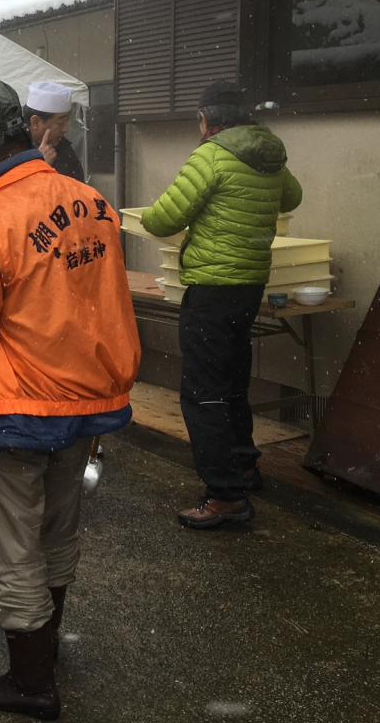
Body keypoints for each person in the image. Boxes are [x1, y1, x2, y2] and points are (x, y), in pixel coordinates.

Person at [0, 80, 140, 720]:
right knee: (57, 528)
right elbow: (104, 305)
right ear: (24, 132)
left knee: (10, 546)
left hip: (14, 411)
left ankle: (31, 683)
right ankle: (46, 649)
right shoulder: (92, 203)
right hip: (87, 402)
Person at [141, 81, 302, 530]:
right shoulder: (268, 155)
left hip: (211, 287)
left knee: (203, 392)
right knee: (231, 382)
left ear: (206, 120)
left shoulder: (210, 155)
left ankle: (225, 495)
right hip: (249, 285)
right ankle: (245, 467)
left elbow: (163, 219)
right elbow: (292, 198)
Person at [25, 80, 84, 182]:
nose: (66, 129)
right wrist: (40, 166)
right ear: (35, 123)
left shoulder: (64, 149)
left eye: (67, 122)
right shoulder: (13, 150)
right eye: (60, 122)